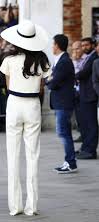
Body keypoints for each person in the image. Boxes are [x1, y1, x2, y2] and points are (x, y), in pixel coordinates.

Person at [0, 20, 50, 216]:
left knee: (12, 156)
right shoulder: (42, 60)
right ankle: (32, 206)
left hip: (14, 104)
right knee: (33, 156)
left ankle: (15, 206)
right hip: (32, 105)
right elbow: (42, 87)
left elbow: (8, 85)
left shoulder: (9, 60)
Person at [47, 34, 77, 174]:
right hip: (61, 102)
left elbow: (53, 83)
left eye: (53, 44)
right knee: (65, 133)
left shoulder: (64, 61)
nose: (52, 46)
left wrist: (49, 80)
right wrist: (50, 79)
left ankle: (70, 162)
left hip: (64, 103)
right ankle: (69, 161)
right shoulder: (60, 60)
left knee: (64, 133)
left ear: (57, 45)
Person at [75, 38, 98, 159]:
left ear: (93, 45)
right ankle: (85, 147)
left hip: (90, 95)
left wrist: (73, 76)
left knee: (91, 125)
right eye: (82, 45)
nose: (84, 47)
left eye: (87, 45)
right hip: (84, 94)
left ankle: (91, 151)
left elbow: (84, 72)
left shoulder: (93, 57)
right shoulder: (88, 57)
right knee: (85, 124)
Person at [71, 41, 86, 143]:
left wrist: (76, 62)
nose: (75, 51)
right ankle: (82, 133)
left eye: (77, 49)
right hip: (75, 90)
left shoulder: (86, 59)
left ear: (82, 48)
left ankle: (86, 135)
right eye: (73, 49)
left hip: (84, 91)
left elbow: (79, 74)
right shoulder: (73, 60)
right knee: (78, 115)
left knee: (85, 115)